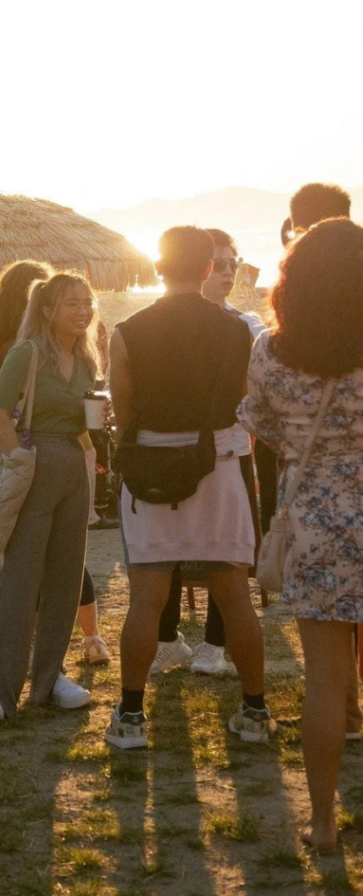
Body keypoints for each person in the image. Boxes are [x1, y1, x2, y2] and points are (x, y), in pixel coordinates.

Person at [105, 226, 272, 750]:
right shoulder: (235, 330)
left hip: (153, 467)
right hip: (218, 461)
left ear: (159, 267)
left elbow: (123, 405)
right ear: (206, 269)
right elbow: (244, 399)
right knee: (233, 593)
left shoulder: (128, 330)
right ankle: (254, 710)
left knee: (147, 597)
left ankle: (131, 718)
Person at [238, 219, 363, 854]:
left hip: (314, 517)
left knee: (323, 677)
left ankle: (320, 823)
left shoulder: (271, 350)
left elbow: (260, 425)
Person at [0, 272, 102, 719]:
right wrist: (19, 462)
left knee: (66, 578)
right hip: (34, 466)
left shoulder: (87, 360)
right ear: (47, 310)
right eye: (72, 303)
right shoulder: (26, 354)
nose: (83, 310)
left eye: (87, 302)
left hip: (73, 461)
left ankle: (49, 679)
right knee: (21, 580)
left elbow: (87, 422)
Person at [150, 229, 266, 678]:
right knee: (170, 544)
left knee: (227, 554)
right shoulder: (169, 324)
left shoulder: (247, 325)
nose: (227, 272)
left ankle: (215, 643)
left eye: (232, 263)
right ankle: (167, 638)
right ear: (200, 269)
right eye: (219, 264)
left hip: (232, 447)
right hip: (176, 449)